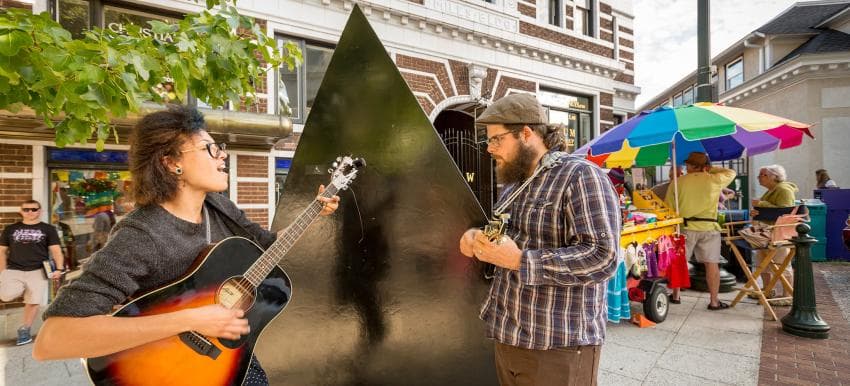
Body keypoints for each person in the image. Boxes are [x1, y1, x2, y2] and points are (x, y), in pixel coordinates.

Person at [32, 105, 340, 385]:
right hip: (168, 371)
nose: (222, 156)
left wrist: (313, 213)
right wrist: (192, 319)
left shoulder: (219, 206)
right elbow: (53, 339)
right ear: (171, 162)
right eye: (209, 148)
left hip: (226, 362)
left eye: (219, 148)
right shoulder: (142, 234)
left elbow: (269, 247)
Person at [458, 94, 620, 385]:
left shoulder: (581, 175)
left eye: (496, 139)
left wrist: (521, 260)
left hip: (558, 346)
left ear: (526, 133)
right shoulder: (514, 186)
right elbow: (507, 244)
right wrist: (477, 239)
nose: (489, 148)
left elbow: (603, 257)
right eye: (488, 140)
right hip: (509, 338)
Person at [665, 152, 736, 310]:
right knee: (712, 264)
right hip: (709, 227)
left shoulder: (677, 182)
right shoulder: (714, 179)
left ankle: (676, 296)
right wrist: (709, 169)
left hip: (685, 228)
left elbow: (669, 208)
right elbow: (731, 172)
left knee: (680, 263)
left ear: (689, 166)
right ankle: (714, 301)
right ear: (705, 166)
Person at [0, 200, 64, 346]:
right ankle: (22, 289)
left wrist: (59, 269)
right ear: (21, 211)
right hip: (14, 269)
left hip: (38, 270)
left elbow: (56, 250)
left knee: (33, 301)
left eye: (34, 209)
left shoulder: (48, 229)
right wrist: (2, 272)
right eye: (26, 209)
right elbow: (1, 251)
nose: (30, 212)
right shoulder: (10, 229)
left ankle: (25, 330)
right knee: (6, 295)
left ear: (39, 211)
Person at [750, 164, 798, 305]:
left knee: (781, 264)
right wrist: (757, 212)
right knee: (762, 263)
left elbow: (785, 213)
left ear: (774, 176)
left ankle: (787, 296)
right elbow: (768, 210)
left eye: (762, 175)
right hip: (766, 232)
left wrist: (761, 204)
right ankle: (768, 290)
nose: (759, 177)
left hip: (778, 234)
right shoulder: (772, 190)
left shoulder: (784, 190)